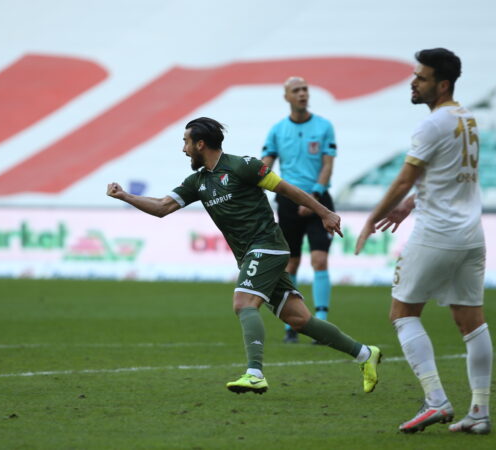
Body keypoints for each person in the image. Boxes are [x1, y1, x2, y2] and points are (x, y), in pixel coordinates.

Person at [107, 117, 381, 395]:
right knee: (299, 320)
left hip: (267, 245)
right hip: (251, 253)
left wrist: (324, 212)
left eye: (186, 143)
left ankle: (254, 374)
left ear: (200, 144)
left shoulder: (243, 166)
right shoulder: (198, 182)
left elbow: (286, 189)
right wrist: (125, 196)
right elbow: (162, 206)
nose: (184, 149)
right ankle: (365, 353)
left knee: (243, 303)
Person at [354, 48, 493, 434]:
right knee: (471, 322)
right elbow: (448, 175)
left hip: (437, 233)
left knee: (402, 313)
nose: (413, 82)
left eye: (421, 77)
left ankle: (436, 401)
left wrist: (372, 218)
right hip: (471, 234)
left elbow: (404, 179)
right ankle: (479, 412)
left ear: (442, 85)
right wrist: (411, 204)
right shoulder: (467, 118)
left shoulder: (431, 125)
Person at [262, 76, 337, 344]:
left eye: (305, 89)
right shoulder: (277, 130)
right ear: (287, 97)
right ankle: (291, 325)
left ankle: (322, 324)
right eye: (296, 90)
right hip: (288, 202)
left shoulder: (324, 126)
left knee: (319, 260)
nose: (302, 93)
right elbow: (265, 165)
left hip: (318, 200)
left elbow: (328, 165)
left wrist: (314, 197)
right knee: (291, 263)